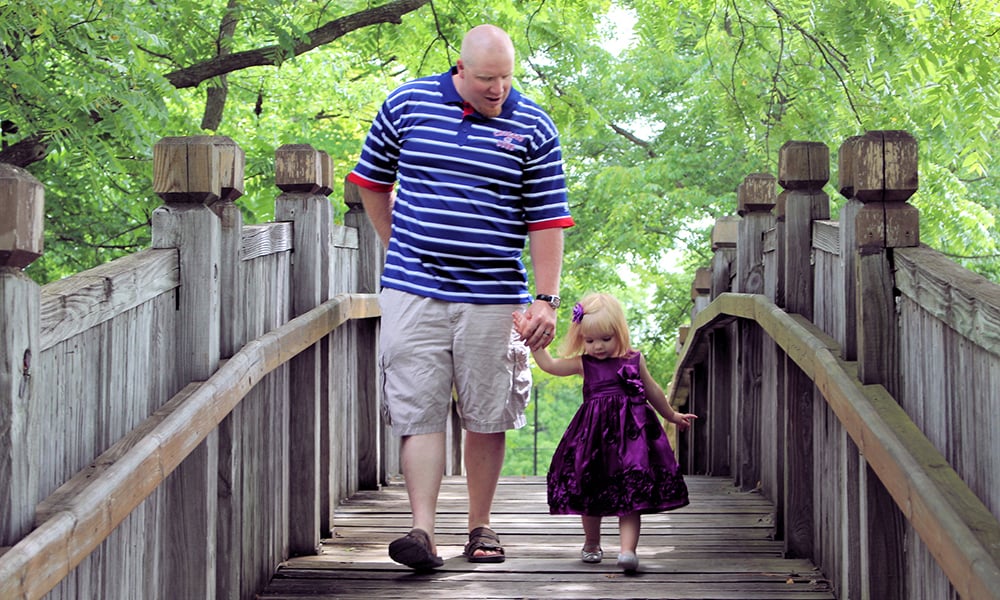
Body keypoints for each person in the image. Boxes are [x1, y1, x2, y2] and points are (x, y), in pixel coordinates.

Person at [346, 23, 574, 571]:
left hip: (494, 295)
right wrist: (394, 244)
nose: (498, 89)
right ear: (460, 69)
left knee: (486, 412)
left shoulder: (535, 125)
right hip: (413, 289)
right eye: (487, 79)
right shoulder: (407, 104)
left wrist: (545, 299)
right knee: (417, 408)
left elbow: (547, 220)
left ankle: (480, 526)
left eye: (507, 77)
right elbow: (371, 182)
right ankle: (421, 532)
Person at [513, 292, 696, 573]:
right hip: (594, 438)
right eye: (589, 340)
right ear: (581, 339)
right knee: (591, 487)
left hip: (633, 439)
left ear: (619, 333)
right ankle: (591, 542)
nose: (597, 346)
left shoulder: (634, 359)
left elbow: (653, 391)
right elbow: (549, 365)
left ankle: (627, 551)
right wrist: (533, 341)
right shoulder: (584, 364)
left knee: (632, 494)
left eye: (605, 339)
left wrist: (670, 415)